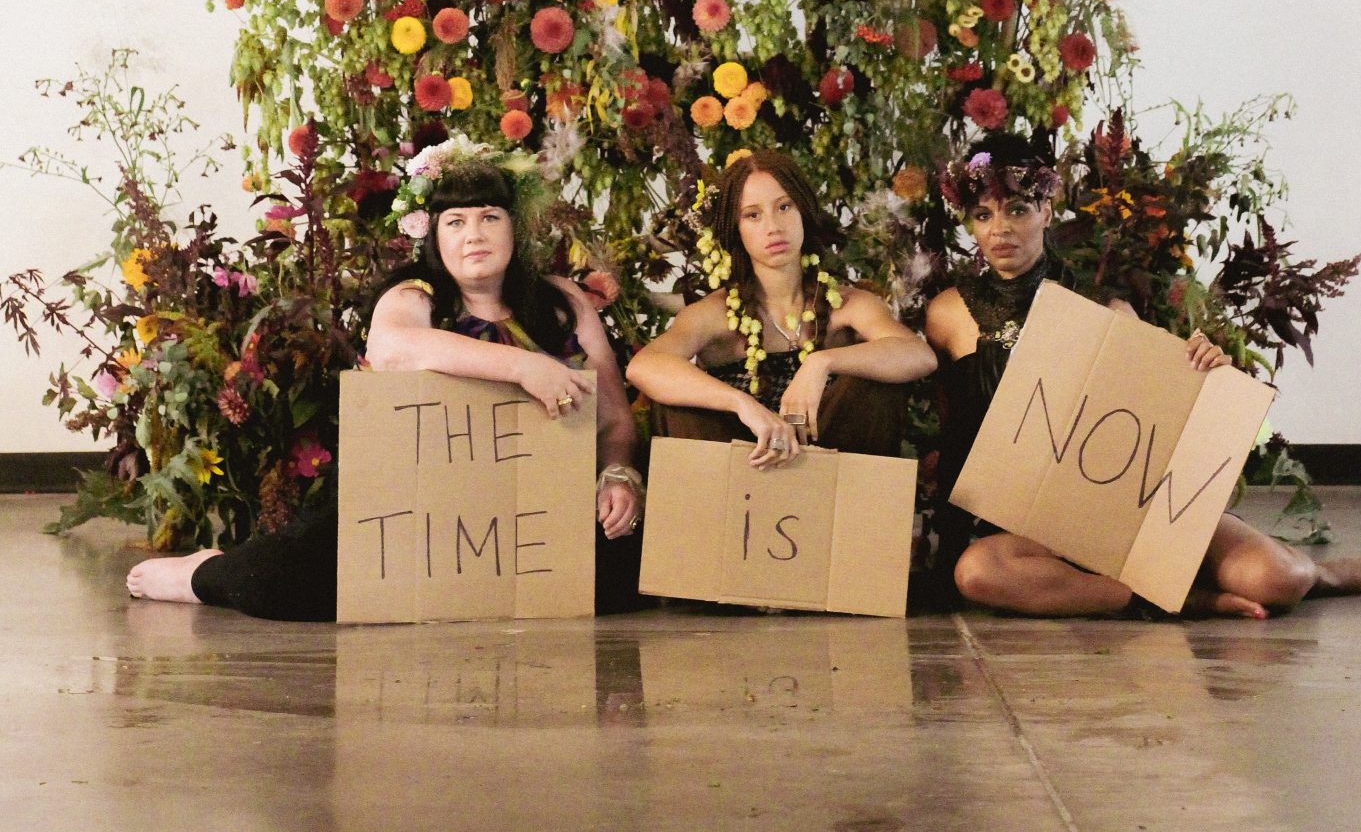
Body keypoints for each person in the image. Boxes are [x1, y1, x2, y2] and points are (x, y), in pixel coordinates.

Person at [126, 145, 645, 619]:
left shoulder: (563, 302)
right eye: (456, 222)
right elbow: (392, 350)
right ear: (434, 234)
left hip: (532, 511)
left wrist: (617, 475)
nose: (475, 235)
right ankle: (201, 572)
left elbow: (615, 419)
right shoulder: (415, 298)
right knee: (274, 583)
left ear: (515, 228)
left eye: (490, 218)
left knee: (624, 584)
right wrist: (523, 366)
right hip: (416, 508)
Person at [924, 132, 1361, 619]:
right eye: (983, 215)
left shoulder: (1106, 308)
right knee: (978, 573)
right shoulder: (948, 314)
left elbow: (1155, 416)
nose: (999, 229)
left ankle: (1324, 573)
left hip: (1117, 507)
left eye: (1017, 210)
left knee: (1274, 579)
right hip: (1020, 524)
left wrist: (1203, 368)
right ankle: (1170, 598)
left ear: (1047, 211)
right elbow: (952, 432)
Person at [628, 149, 936, 464]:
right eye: (753, 215)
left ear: (803, 211)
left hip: (832, 472)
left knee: (880, 383)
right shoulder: (715, 312)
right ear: (736, 228)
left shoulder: (847, 304)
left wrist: (821, 364)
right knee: (673, 402)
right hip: (741, 474)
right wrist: (742, 404)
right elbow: (644, 366)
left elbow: (919, 356)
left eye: (784, 207)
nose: (773, 227)